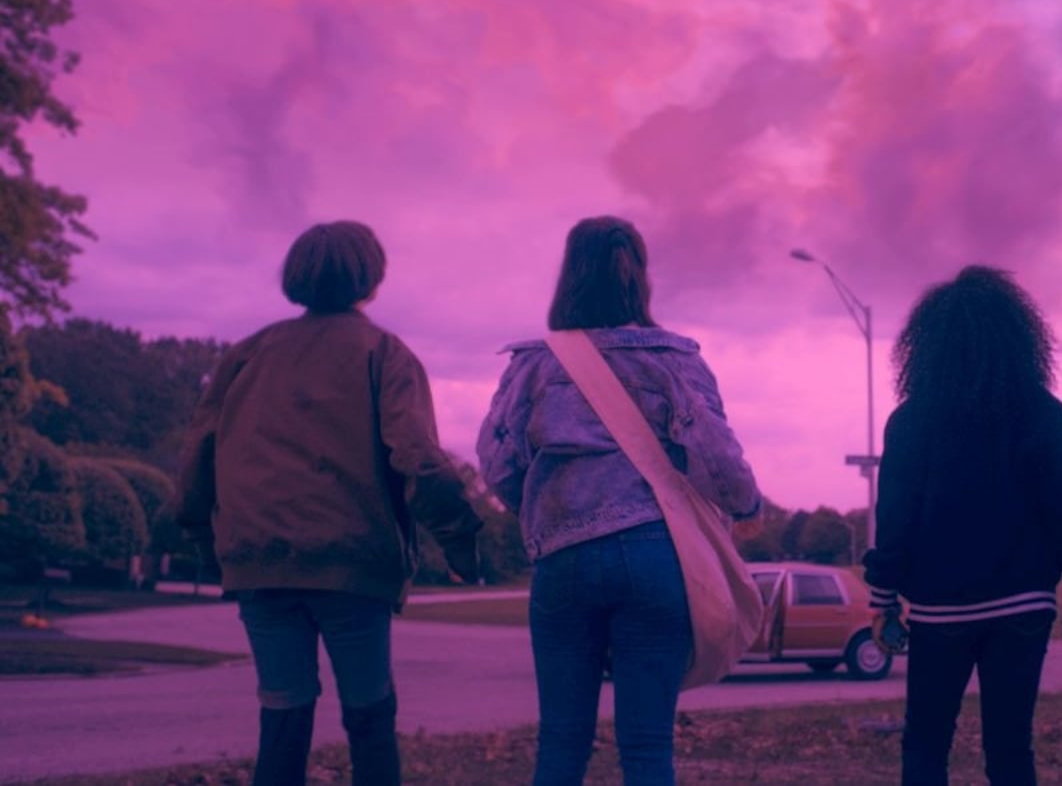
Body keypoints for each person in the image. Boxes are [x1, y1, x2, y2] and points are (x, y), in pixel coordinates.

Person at [177, 220, 484, 786]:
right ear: (372, 278)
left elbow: (198, 456)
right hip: (351, 564)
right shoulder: (384, 354)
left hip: (259, 563)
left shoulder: (246, 356)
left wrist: (208, 545)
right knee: (369, 717)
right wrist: (461, 543)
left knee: (283, 716)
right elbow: (417, 458)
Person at [477, 215, 761, 786]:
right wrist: (747, 507)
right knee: (648, 745)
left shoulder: (532, 366)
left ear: (569, 276)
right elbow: (721, 461)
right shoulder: (675, 361)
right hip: (657, 556)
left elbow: (497, 462)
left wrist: (539, 508)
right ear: (640, 278)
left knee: (560, 742)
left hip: (563, 558)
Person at [863, 265, 1062, 786]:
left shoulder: (910, 421)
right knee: (1011, 746)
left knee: (925, 744)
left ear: (926, 346)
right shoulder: (1044, 413)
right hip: (1024, 604)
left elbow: (894, 518)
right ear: (1020, 338)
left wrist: (883, 601)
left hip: (938, 609)